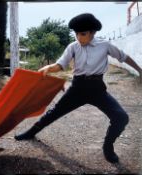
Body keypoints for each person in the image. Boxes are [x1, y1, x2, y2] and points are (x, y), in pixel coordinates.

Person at [14, 13, 142, 163]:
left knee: (121, 117)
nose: (78, 37)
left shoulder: (105, 45)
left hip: (97, 89)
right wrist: (49, 67)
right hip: (77, 88)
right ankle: (31, 132)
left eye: (83, 34)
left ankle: (108, 147)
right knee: (53, 113)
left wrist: (140, 70)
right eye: (76, 34)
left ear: (93, 32)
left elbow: (124, 57)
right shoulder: (73, 47)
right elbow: (60, 65)